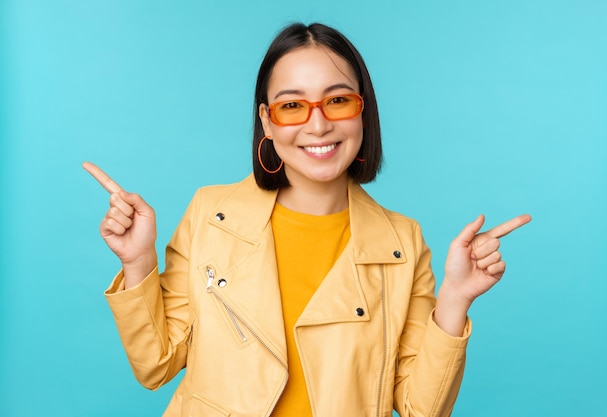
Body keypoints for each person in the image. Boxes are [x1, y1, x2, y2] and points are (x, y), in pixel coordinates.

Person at [84, 22, 531, 417]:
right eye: (292, 106)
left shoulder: (402, 241)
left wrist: (454, 298)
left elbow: (421, 409)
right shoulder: (210, 214)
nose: (317, 126)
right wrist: (138, 262)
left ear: (362, 110)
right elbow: (156, 365)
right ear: (268, 122)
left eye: (337, 101)